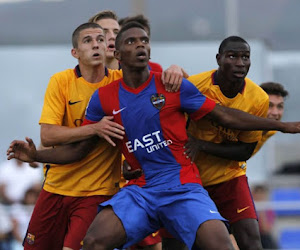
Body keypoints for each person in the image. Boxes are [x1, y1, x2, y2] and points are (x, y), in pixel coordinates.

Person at [7, 22, 300, 250]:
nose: (140, 45)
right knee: (94, 241)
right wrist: (36, 155)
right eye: (131, 41)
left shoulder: (172, 86)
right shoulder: (103, 98)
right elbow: (79, 151)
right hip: (141, 189)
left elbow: (223, 115)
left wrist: (282, 126)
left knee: (221, 243)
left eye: (144, 41)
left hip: (182, 185)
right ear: (117, 54)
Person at [184, 36, 275, 250]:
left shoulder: (258, 98)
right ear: (219, 58)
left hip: (230, 178)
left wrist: (202, 145)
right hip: (191, 181)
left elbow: (245, 150)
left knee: (252, 241)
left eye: (245, 57)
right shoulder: (195, 85)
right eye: (232, 56)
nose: (240, 63)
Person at [252, 81, 289, 155]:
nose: (275, 113)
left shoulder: (272, 130)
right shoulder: (238, 126)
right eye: (269, 105)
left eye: (280, 106)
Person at [251, 184, 278, 249]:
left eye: (261, 194)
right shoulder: (248, 208)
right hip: (251, 236)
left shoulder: (268, 209)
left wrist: (261, 211)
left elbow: (265, 229)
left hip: (263, 237)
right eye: (257, 194)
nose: (259, 196)